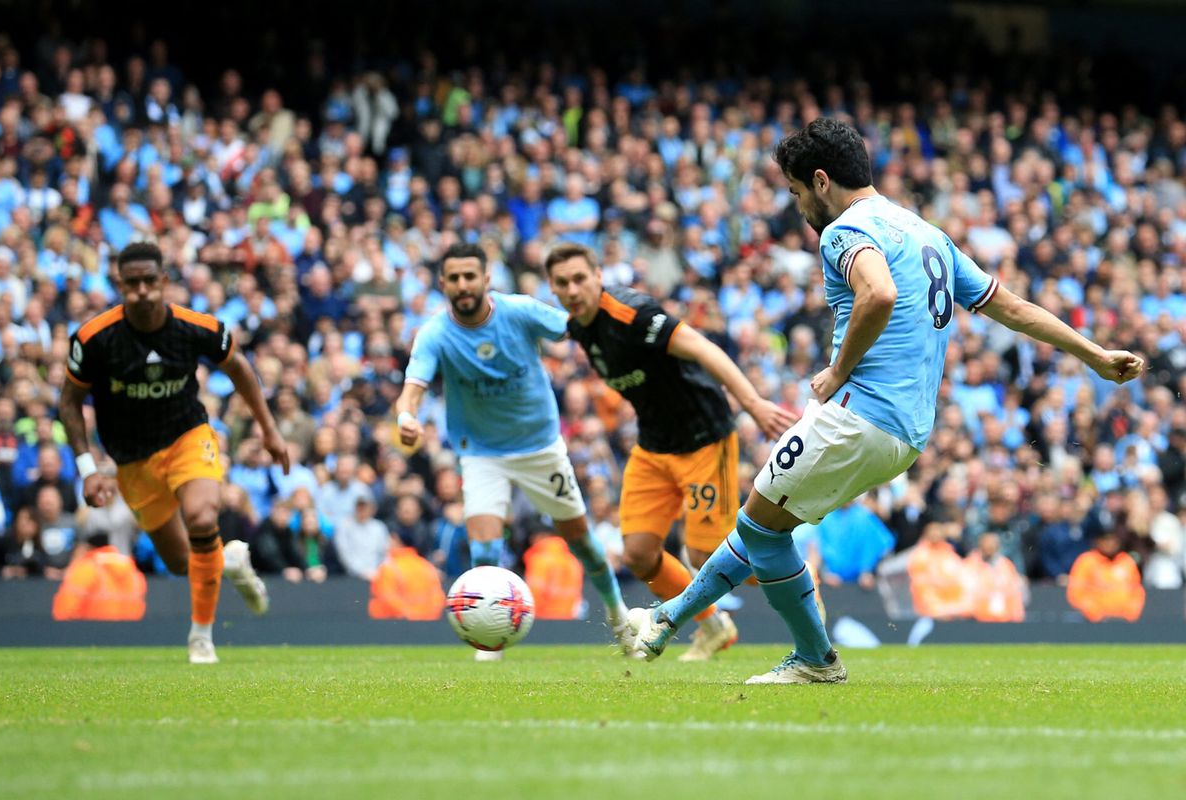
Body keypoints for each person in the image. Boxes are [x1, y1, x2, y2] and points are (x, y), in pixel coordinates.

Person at [626, 118, 1144, 683]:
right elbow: (1012, 307)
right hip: (905, 433)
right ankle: (670, 620)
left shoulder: (845, 231)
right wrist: (1093, 354)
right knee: (762, 525)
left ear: (821, 181)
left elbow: (879, 292)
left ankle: (809, 659)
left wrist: (836, 370)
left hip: (858, 413)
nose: (799, 207)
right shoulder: (929, 235)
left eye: (798, 192)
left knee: (761, 529)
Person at [546, 242, 792, 661]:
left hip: (703, 438)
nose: (573, 289)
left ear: (599, 277)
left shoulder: (633, 314)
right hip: (653, 445)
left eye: (580, 279)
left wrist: (752, 404)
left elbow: (702, 348)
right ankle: (713, 626)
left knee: (706, 554)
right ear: (552, 288)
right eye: (562, 283)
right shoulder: (577, 325)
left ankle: (798, 575)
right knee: (639, 555)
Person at [396, 242, 632, 662]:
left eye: (471, 276)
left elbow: (575, 326)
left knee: (584, 545)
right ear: (443, 284)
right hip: (482, 452)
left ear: (486, 279)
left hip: (541, 449)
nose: (463, 285)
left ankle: (619, 617)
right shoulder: (434, 333)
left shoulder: (519, 311)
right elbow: (412, 389)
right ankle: (490, 643)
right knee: (484, 548)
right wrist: (406, 418)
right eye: (454, 278)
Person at [58, 241, 291, 664]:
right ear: (119, 285)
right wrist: (87, 468)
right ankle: (230, 561)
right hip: (131, 460)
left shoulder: (196, 326)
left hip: (187, 436)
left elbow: (239, 369)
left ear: (164, 281)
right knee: (183, 561)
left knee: (203, 517)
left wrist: (270, 430)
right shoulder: (95, 339)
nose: (142, 290)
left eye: (150, 281)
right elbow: (69, 402)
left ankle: (201, 637)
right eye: (132, 283)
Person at [52, 531, 147, 621]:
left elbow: (66, 606)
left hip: (92, 631)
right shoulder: (131, 569)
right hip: (129, 632)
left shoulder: (86, 568)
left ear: (88, 547)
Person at [1066, 531, 1146, 622]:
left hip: (1123, 622)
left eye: (1113, 541)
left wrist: (1130, 614)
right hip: (1092, 622)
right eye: (1106, 540)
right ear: (1098, 541)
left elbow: (1137, 591)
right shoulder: (1086, 561)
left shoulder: (1126, 561)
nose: (1110, 544)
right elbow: (1076, 591)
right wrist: (1095, 613)